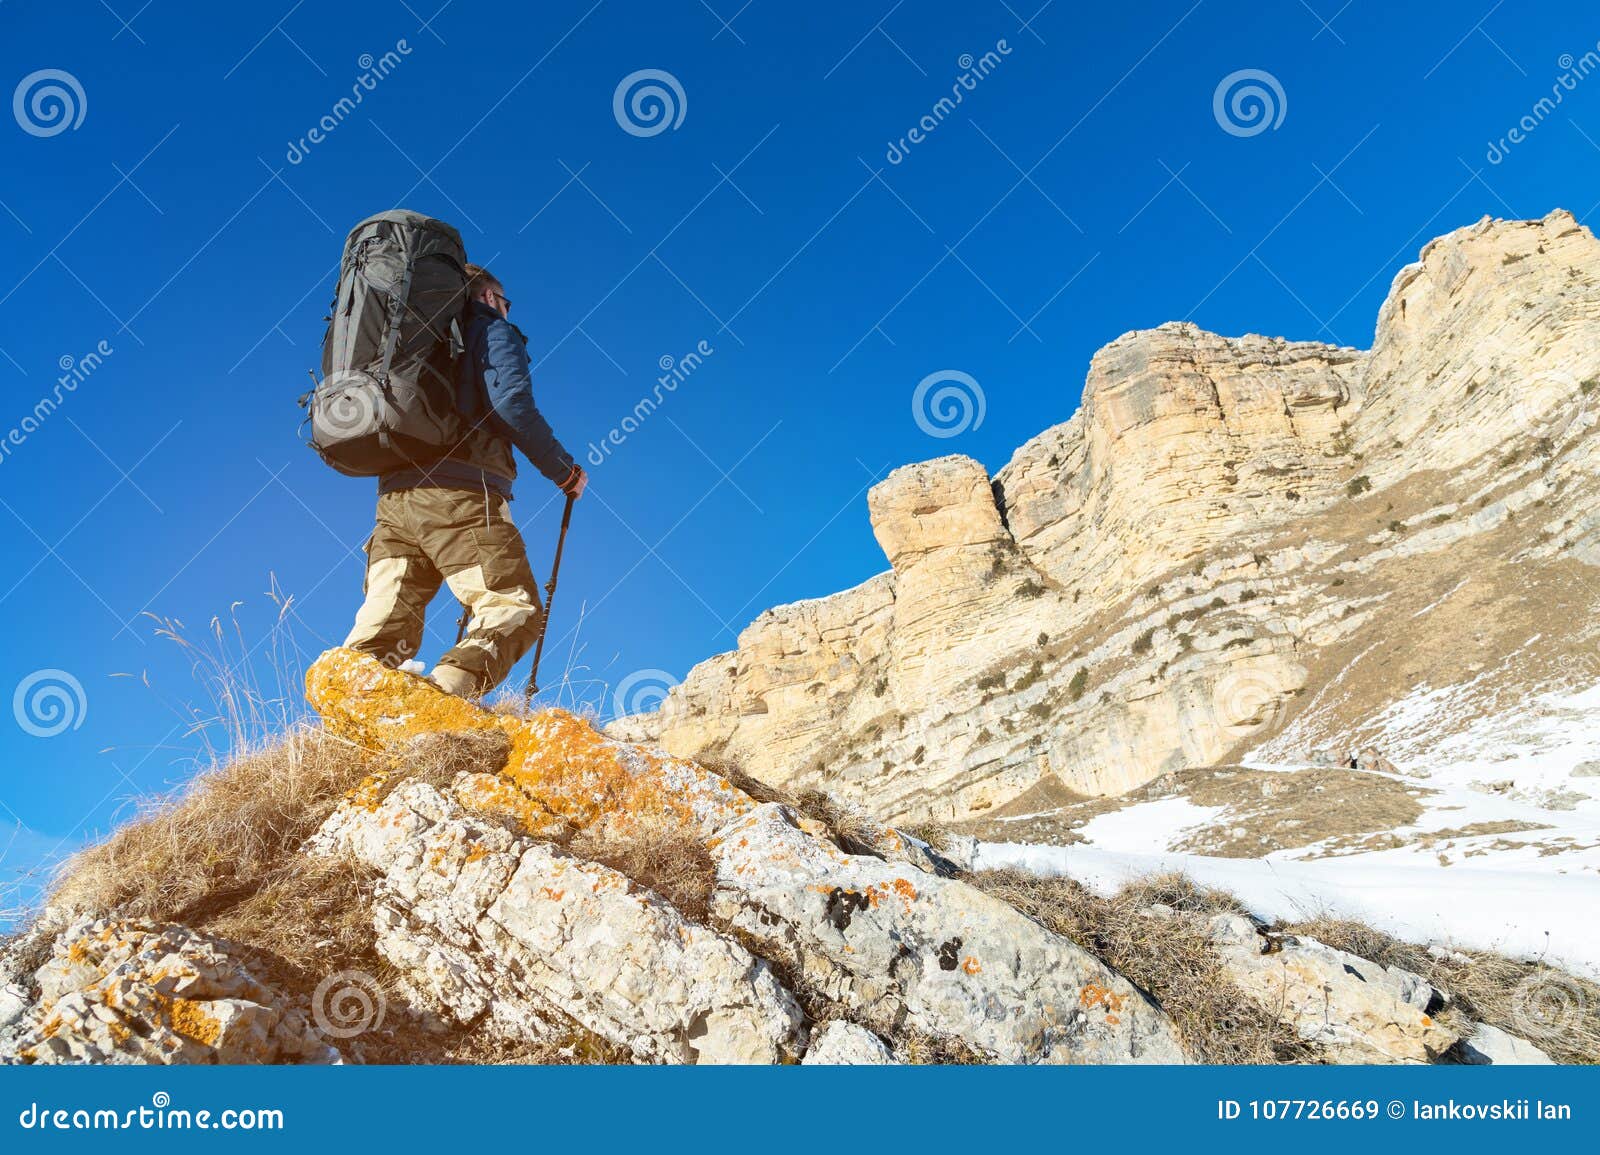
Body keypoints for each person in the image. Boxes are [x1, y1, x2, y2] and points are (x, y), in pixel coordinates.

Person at [343, 263, 586, 697]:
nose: (507, 311)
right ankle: (446, 702)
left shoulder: (409, 340)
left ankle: (349, 721)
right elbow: (511, 404)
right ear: (489, 298)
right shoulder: (489, 328)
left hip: (394, 498)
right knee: (514, 607)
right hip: (459, 494)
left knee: (383, 629)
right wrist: (564, 471)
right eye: (505, 302)